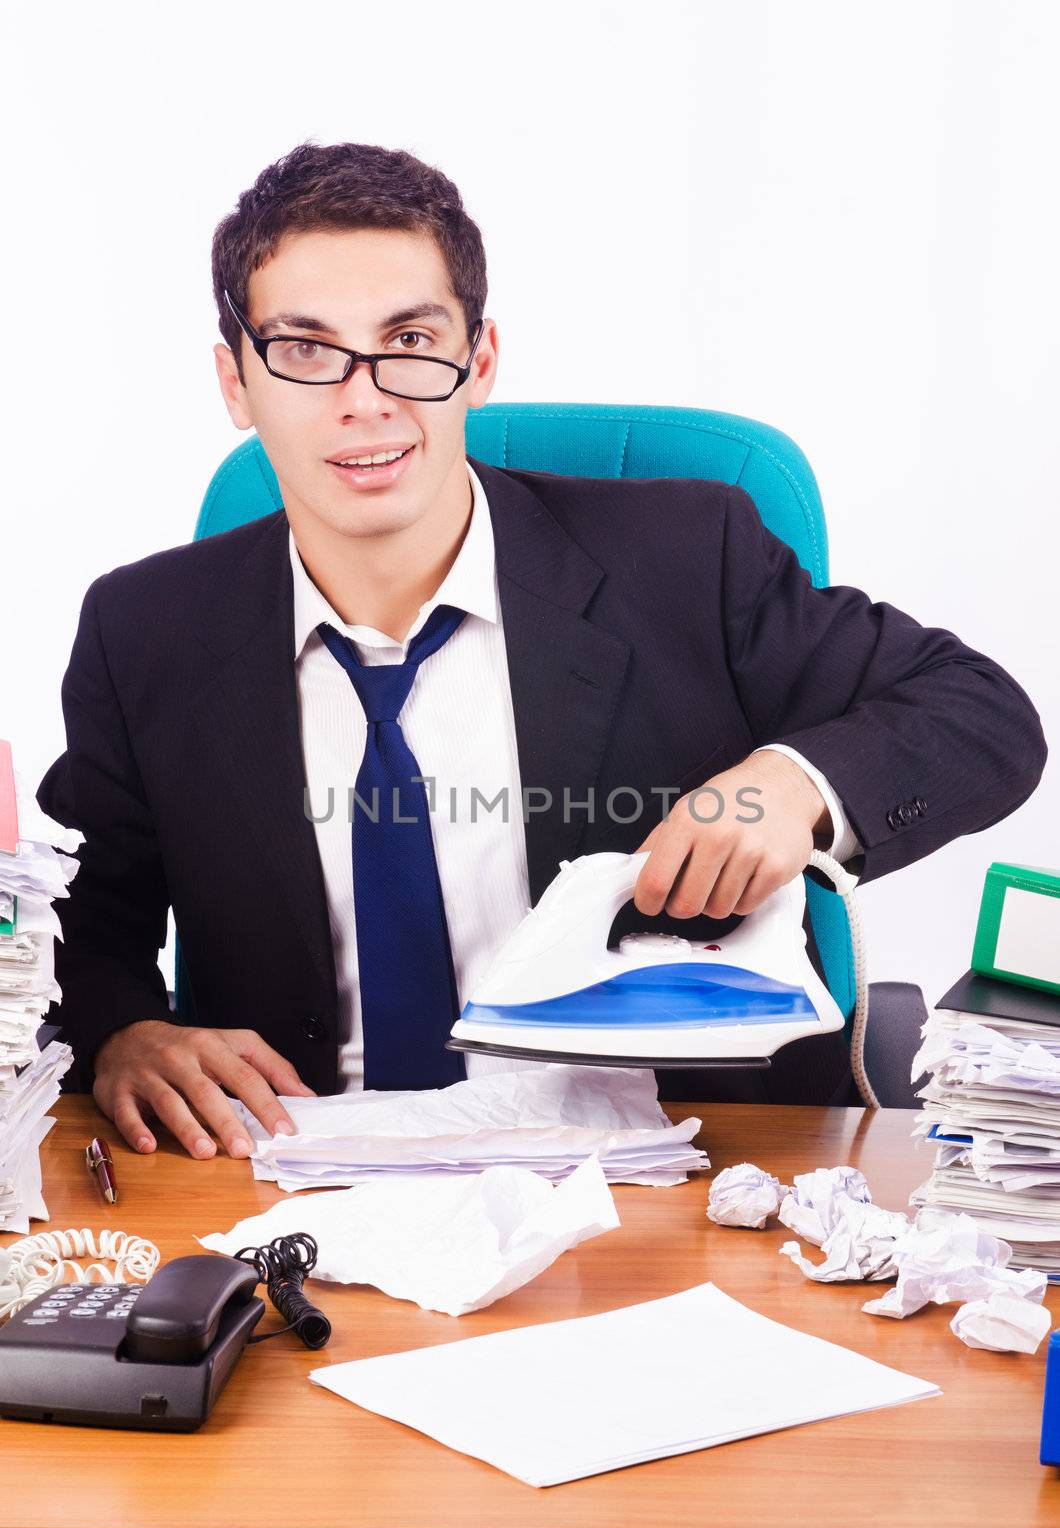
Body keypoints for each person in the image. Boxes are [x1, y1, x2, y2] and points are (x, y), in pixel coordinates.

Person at [36, 140, 1047, 1159]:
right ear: (235, 383)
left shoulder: (688, 559)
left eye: (409, 340)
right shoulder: (144, 631)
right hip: (298, 1170)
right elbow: (81, 919)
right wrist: (123, 1028)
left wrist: (791, 786)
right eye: (303, 349)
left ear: (477, 363)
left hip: (672, 1178)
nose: (364, 398)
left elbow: (981, 715)